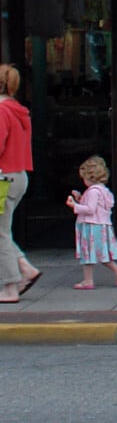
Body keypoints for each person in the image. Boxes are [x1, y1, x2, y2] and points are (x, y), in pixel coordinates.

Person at [0, 63, 41, 304]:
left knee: (1, 235)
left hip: (3, 176)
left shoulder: (2, 111)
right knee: (2, 231)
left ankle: (10, 286)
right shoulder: (17, 110)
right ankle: (25, 268)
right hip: (18, 176)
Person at [66, 156, 117, 289]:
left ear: (90, 177)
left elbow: (90, 209)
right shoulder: (103, 191)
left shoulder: (93, 191)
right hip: (101, 225)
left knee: (88, 254)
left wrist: (74, 206)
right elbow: (97, 206)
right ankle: (116, 270)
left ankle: (90, 280)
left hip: (91, 225)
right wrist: (81, 198)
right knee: (100, 253)